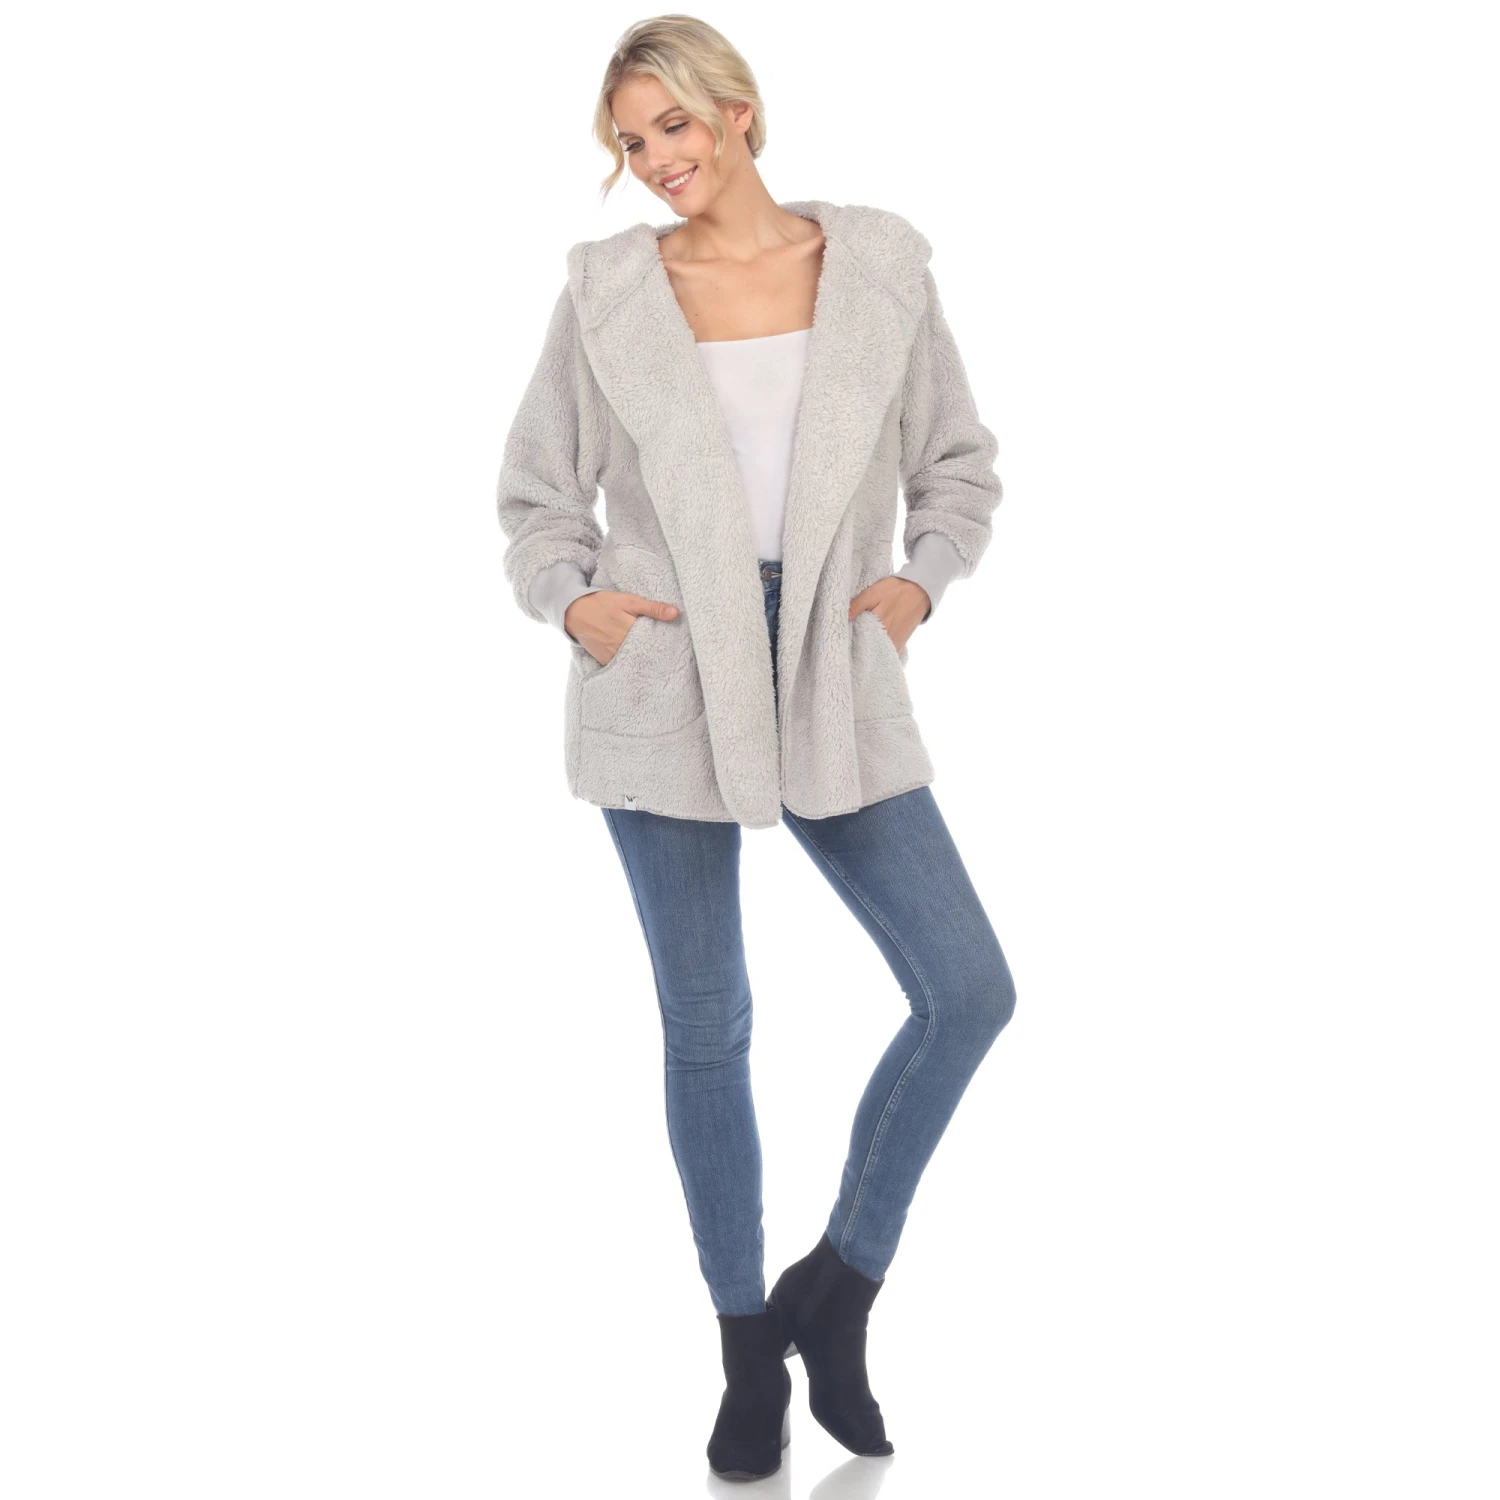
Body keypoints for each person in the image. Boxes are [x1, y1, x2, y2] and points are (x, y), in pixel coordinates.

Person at [496, 15, 1017, 1483]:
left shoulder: (879, 270)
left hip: (833, 659)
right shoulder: (607, 293)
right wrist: (577, 604)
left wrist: (919, 584)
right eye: (630, 140)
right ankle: (742, 1350)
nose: (655, 159)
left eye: (673, 123)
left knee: (968, 990)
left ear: (737, 111)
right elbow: (536, 497)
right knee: (707, 1026)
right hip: (665, 664)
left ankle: (837, 1284)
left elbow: (960, 466)